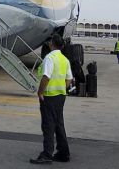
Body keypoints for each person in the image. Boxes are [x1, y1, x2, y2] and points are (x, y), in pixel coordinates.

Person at [30, 34, 74, 165]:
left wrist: (40, 92)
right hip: (60, 96)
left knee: (48, 125)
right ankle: (63, 153)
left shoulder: (50, 58)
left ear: (52, 44)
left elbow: (46, 77)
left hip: (49, 97)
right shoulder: (64, 59)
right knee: (59, 124)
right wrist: (61, 88)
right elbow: (69, 78)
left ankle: (47, 154)